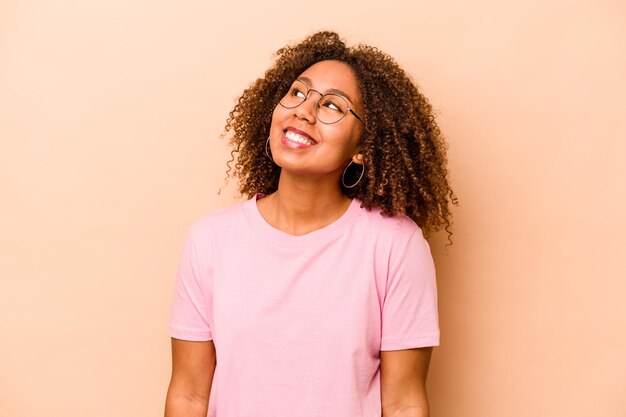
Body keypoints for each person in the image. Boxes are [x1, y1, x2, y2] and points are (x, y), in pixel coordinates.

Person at [164, 31, 456, 417]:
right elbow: (188, 395)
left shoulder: (395, 245)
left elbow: (403, 403)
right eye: (297, 93)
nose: (303, 110)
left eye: (333, 106)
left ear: (362, 149)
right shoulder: (211, 240)